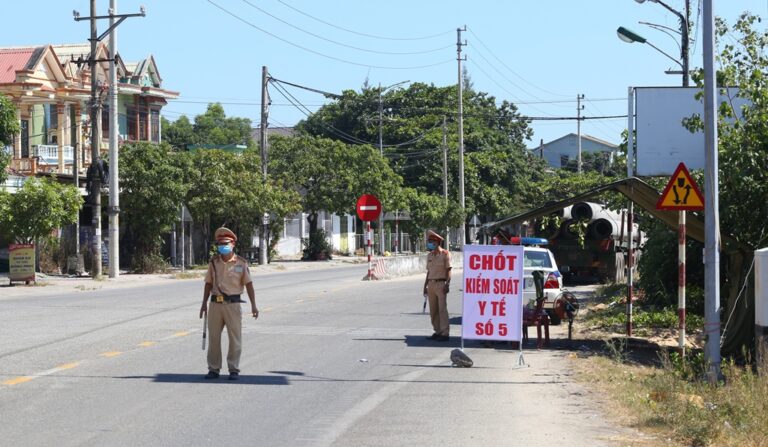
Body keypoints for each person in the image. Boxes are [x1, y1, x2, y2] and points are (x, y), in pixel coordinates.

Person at [199, 227, 259, 380]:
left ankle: (233, 369)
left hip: (233, 305)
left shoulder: (241, 263)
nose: (222, 246)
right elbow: (208, 284)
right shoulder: (214, 263)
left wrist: (253, 305)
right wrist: (203, 303)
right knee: (214, 338)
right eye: (219, 244)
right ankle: (213, 369)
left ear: (232, 244)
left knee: (235, 338)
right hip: (215, 305)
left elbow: (249, 285)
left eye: (225, 243)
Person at [422, 230, 452, 341]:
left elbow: (449, 270)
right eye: (429, 241)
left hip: (441, 284)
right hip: (431, 284)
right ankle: (437, 330)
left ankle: (445, 333)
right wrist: (425, 286)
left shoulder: (445, 254)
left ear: (437, 242)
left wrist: (447, 284)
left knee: (442, 309)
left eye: (431, 241)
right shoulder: (429, 255)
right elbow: (428, 272)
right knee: (433, 310)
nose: (429, 243)